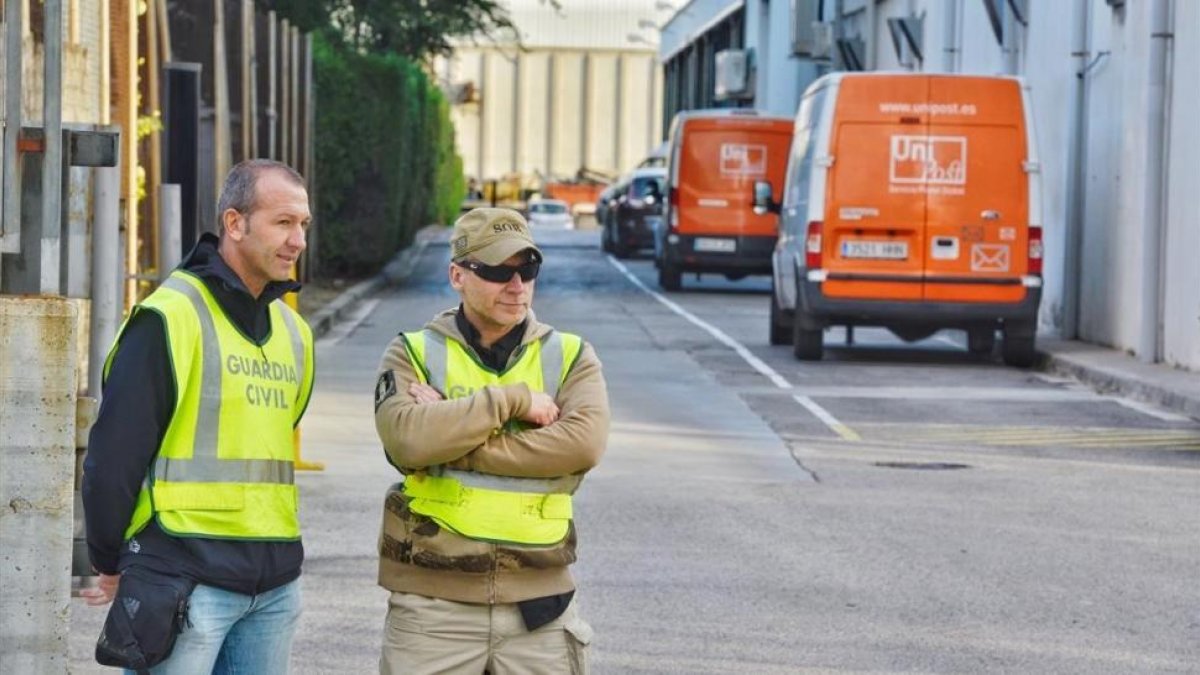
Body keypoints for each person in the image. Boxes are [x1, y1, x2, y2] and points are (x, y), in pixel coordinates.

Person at [81, 159, 316, 673]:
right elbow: (112, 458)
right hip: (184, 580)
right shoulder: (169, 316)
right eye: (282, 222)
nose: (297, 240)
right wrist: (109, 560)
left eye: (303, 225)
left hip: (273, 585)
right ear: (234, 223)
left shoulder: (294, 333)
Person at [373, 207, 610, 674]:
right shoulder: (413, 353)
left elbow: (582, 445)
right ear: (458, 275)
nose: (516, 285)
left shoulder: (570, 357)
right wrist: (511, 402)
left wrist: (455, 437)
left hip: (539, 609)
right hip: (431, 608)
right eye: (499, 271)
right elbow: (407, 442)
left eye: (527, 269)